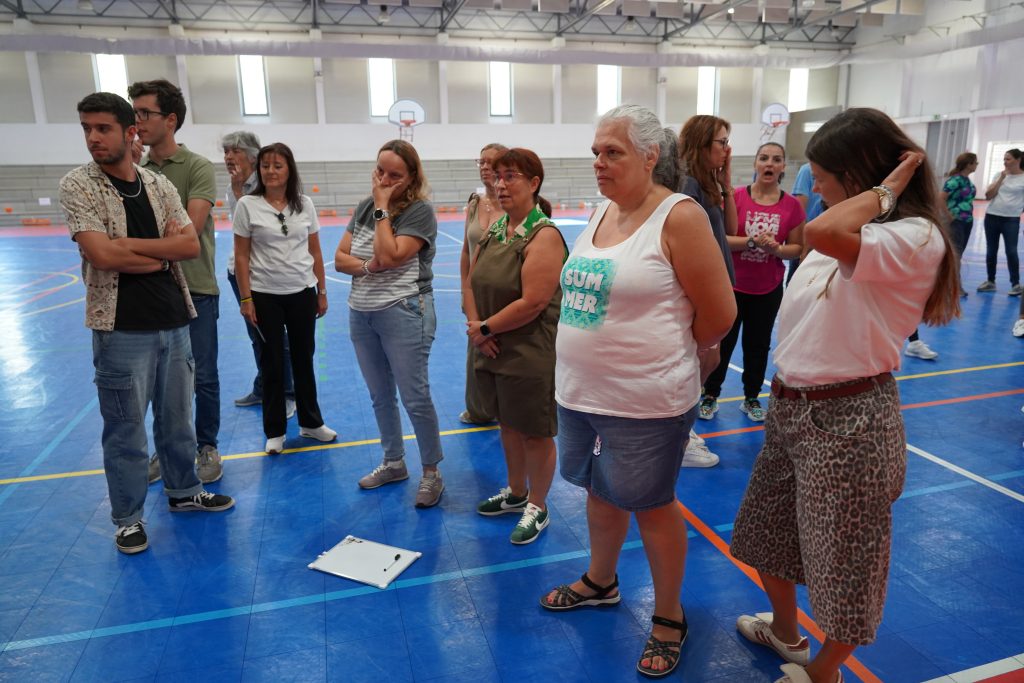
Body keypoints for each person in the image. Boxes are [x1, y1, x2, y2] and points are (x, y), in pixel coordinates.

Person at [730, 108, 960, 683]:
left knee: (847, 565)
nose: (814, 188)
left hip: (849, 420)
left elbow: (822, 233)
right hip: (792, 408)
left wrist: (885, 193)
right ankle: (786, 633)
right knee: (766, 534)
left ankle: (824, 672)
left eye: (823, 176)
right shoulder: (843, 225)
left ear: (864, 177)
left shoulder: (913, 236)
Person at [541, 105, 736, 679]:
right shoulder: (603, 211)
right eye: (596, 152)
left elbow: (719, 314)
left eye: (613, 152)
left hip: (646, 400)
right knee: (600, 493)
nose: (599, 163)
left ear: (651, 157)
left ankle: (670, 615)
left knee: (651, 506)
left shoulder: (679, 217)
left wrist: (679, 359)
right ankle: (601, 580)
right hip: (580, 393)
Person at [60, 92, 234, 555]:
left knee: (178, 422)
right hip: (120, 329)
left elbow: (189, 247)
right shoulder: (79, 186)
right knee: (126, 430)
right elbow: (101, 254)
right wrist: (156, 252)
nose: (93, 138)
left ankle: (183, 492)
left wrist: (132, 250)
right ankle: (128, 518)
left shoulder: (158, 186)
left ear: (128, 132)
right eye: (87, 129)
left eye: (103, 128)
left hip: (174, 320)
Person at [334, 140, 446, 509]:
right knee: (380, 394)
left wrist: (383, 207)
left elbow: (392, 255)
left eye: (395, 175)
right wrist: (366, 267)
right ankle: (394, 462)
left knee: (415, 395)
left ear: (412, 177)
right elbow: (339, 258)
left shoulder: (419, 212)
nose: (384, 180)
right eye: (380, 171)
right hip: (361, 310)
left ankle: (431, 473)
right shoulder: (364, 207)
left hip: (403, 310)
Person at [465, 148, 566, 544]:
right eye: (498, 176)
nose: (501, 183)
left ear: (534, 183)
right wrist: (479, 330)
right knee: (507, 424)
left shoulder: (545, 235)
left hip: (528, 352)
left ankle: (537, 506)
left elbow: (534, 301)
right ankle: (517, 492)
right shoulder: (496, 230)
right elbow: (471, 280)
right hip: (491, 347)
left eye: (511, 176)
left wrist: (485, 328)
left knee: (535, 432)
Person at [129, 79, 222, 485]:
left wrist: (130, 246)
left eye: (145, 113)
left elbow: (191, 228)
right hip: (152, 291)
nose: (137, 121)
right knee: (160, 383)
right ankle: (167, 451)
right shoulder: (134, 171)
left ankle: (206, 446)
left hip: (196, 288)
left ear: (170, 120)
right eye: (134, 114)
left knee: (202, 375)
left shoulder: (197, 167)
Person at [233, 143, 336, 455]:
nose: (271, 171)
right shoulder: (247, 206)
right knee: (272, 364)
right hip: (265, 295)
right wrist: (246, 298)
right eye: (265, 166)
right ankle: (275, 429)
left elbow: (315, 250)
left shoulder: (304, 204)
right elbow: (241, 256)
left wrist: (321, 291)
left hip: (302, 292)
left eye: (278, 165)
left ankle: (311, 423)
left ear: (289, 169)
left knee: (304, 359)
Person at [700, 142, 805, 424]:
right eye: (764, 158)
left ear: (783, 167)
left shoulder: (791, 206)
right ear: (756, 164)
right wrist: (750, 241)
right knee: (723, 343)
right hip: (731, 286)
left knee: (758, 346)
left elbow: (797, 248)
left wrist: (778, 251)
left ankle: (751, 397)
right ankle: (710, 395)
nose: (769, 164)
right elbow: (718, 238)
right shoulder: (735, 197)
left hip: (768, 288)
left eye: (776, 159)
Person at [676, 115, 738, 467]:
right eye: (722, 142)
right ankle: (679, 433)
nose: (728, 150)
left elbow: (731, 227)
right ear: (702, 145)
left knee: (708, 359)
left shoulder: (707, 182)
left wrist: (726, 182)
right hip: (701, 289)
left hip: (719, 284)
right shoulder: (687, 185)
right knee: (701, 359)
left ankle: (680, 429)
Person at [223, 131, 297, 417]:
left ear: (253, 157)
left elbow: (261, 226)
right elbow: (239, 228)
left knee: (277, 337)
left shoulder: (269, 186)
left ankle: (288, 393)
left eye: (235, 151)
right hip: (239, 271)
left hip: (264, 273)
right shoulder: (234, 187)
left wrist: (242, 189)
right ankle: (264, 386)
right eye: (226, 151)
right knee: (258, 336)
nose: (229, 156)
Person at [459, 142, 507, 425]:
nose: (485, 167)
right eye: (482, 162)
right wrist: (465, 293)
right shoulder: (474, 204)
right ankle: (479, 409)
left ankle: (507, 406)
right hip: (476, 293)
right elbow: (466, 251)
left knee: (504, 348)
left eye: (492, 162)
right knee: (477, 348)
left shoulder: (518, 203)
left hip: (505, 293)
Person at [978, 148, 1024, 295]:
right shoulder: (999, 175)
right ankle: (991, 281)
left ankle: (1016, 284)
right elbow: (988, 195)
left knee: (1011, 251)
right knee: (991, 250)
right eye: (1004, 159)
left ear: (1018, 160)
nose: (1005, 162)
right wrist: (1001, 179)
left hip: (1011, 219)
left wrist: (1016, 211)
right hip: (992, 217)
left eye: (1008, 159)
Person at [940, 152, 978, 297]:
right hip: (956, 221)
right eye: (975, 163)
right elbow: (941, 198)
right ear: (969, 164)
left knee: (958, 254)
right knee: (954, 255)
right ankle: (954, 288)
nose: (976, 165)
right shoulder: (955, 181)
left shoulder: (967, 180)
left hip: (967, 220)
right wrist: (949, 216)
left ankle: (952, 286)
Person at [789, 162, 824, 284]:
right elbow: (800, 209)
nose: (816, 188)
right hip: (807, 236)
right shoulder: (807, 170)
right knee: (797, 282)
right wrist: (804, 248)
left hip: (826, 236)